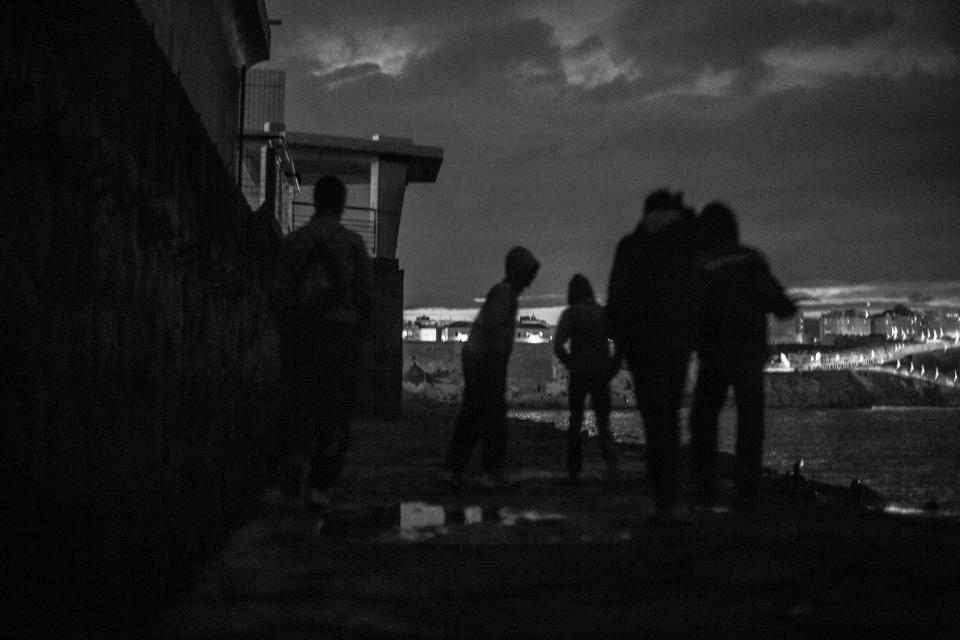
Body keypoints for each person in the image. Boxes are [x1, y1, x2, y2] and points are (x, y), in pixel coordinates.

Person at [273, 175, 373, 510]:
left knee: (298, 403)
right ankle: (320, 485)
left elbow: (279, 292)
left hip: (301, 333)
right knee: (335, 411)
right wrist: (359, 337)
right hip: (340, 337)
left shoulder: (294, 242)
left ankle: (295, 459)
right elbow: (365, 298)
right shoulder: (354, 244)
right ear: (342, 204)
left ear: (315, 201)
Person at [688, 202, 796, 511]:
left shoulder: (704, 264)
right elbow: (780, 304)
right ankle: (746, 490)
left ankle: (706, 483)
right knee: (750, 421)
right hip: (749, 353)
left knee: (704, 417)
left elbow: (692, 307)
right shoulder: (752, 259)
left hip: (713, 353)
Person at [607, 189, 700, 522]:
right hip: (676, 344)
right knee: (670, 416)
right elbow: (698, 294)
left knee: (652, 417)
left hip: (641, 346)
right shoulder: (686, 244)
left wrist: (619, 347)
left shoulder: (630, 246)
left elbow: (616, 299)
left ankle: (660, 493)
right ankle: (669, 495)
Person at [442, 246, 540, 488]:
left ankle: (457, 468)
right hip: (485, 362)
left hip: (481, 360)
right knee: (491, 417)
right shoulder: (504, 294)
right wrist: (497, 363)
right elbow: (496, 331)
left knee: (474, 415)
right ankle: (488, 471)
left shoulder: (504, 293)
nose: (529, 283)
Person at [553, 274, 622, 484]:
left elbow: (558, 345)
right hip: (601, 373)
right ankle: (612, 468)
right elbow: (619, 341)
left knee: (575, 422)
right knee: (603, 423)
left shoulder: (571, 314)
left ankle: (574, 470)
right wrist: (613, 366)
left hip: (579, 373)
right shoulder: (602, 314)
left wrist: (569, 362)